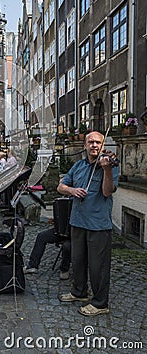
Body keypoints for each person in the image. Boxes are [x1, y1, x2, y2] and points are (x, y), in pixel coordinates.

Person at [57, 131, 118, 316]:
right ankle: (79, 292)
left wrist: (106, 169)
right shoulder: (78, 166)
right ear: (85, 145)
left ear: (102, 145)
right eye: (91, 142)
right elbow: (60, 186)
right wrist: (72, 190)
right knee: (78, 260)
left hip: (98, 225)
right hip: (78, 221)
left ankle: (100, 304)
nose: (94, 145)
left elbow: (107, 192)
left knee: (98, 266)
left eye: (98, 143)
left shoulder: (110, 166)